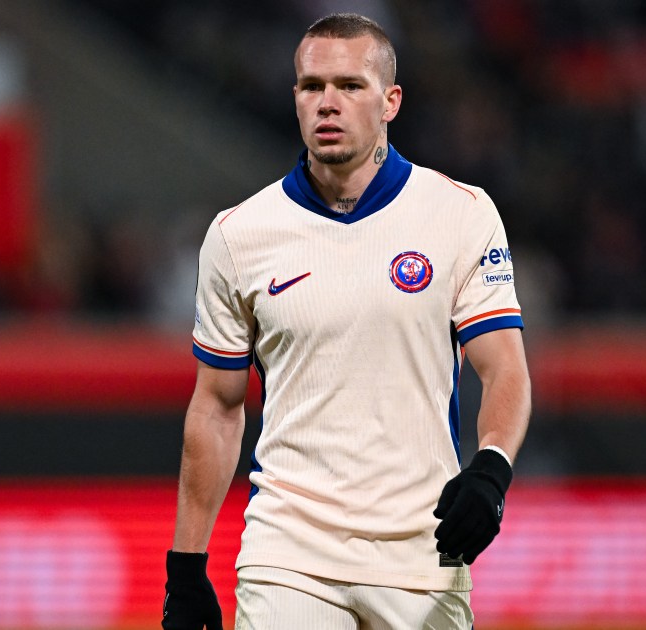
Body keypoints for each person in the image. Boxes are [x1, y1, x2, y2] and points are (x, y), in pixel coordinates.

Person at [163, 13, 531, 629]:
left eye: (350, 86)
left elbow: (505, 369)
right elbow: (217, 407)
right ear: (295, 98)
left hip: (423, 548)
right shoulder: (238, 235)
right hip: (289, 551)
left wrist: (491, 468)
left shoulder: (460, 214)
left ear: (390, 102)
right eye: (312, 86)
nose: (327, 103)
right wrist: (186, 562)